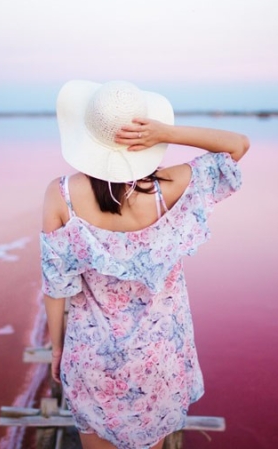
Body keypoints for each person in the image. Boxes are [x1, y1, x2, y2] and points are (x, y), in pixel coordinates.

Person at [41, 80, 249, 449]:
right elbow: (238, 145)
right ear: (145, 135)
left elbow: (56, 287)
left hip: (92, 357)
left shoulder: (61, 195)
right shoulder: (173, 187)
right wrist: (166, 133)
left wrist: (57, 350)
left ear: (89, 135)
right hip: (159, 356)